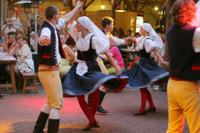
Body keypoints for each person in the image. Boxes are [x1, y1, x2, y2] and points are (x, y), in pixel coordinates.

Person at [63, 16, 128, 131]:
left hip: (91, 68)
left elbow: (106, 52)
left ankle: (91, 120)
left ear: (83, 26)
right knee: (79, 94)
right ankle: (92, 120)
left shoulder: (93, 39)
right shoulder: (77, 36)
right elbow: (68, 23)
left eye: (78, 24)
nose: (76, 25)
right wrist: (78, 7)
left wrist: (116, 66)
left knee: (95, 93)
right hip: (79, 68)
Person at [33, 2, 83, 133]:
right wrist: (42, 40)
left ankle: (37, 130)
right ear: (55, 16)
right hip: (49, 71)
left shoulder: (53, 26)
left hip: (47, 71)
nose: (60, 17)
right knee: (57, 104)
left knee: (51, 102)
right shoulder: (47, 29)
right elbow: (43, 37)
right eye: (58, 15)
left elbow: (66, 17)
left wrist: (77, 8)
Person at [166, 0, 200, 132]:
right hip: (187, 87)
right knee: (197, 128)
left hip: (172, 84)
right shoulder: (195, 33)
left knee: (174, 128)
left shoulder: (170, 31)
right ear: (192, 13)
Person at [123, 23, 169, 116]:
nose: (140, 29)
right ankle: (151, 106)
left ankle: (143, 108)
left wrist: (162, 61)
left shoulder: (147, 40)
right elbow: (136, 40)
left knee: (142, 86)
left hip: (146, 65)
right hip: (143, 64)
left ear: (145, 30)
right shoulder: (143, 39)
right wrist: (126, 38)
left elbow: (154, 50)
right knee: (143, 86)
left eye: (141, 28)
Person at [91, 16, 129, 113]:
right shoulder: (100, 35)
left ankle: (93, 104)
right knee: (104, 81)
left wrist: (128, 40)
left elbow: (117, 41)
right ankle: (96, 105)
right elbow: (103, 52)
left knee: (99, 82)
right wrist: (116, 65)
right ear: (107, 25)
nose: (113, 26)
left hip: (98, 60)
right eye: (112, 24)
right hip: (96, 60)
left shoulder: (108, 34)